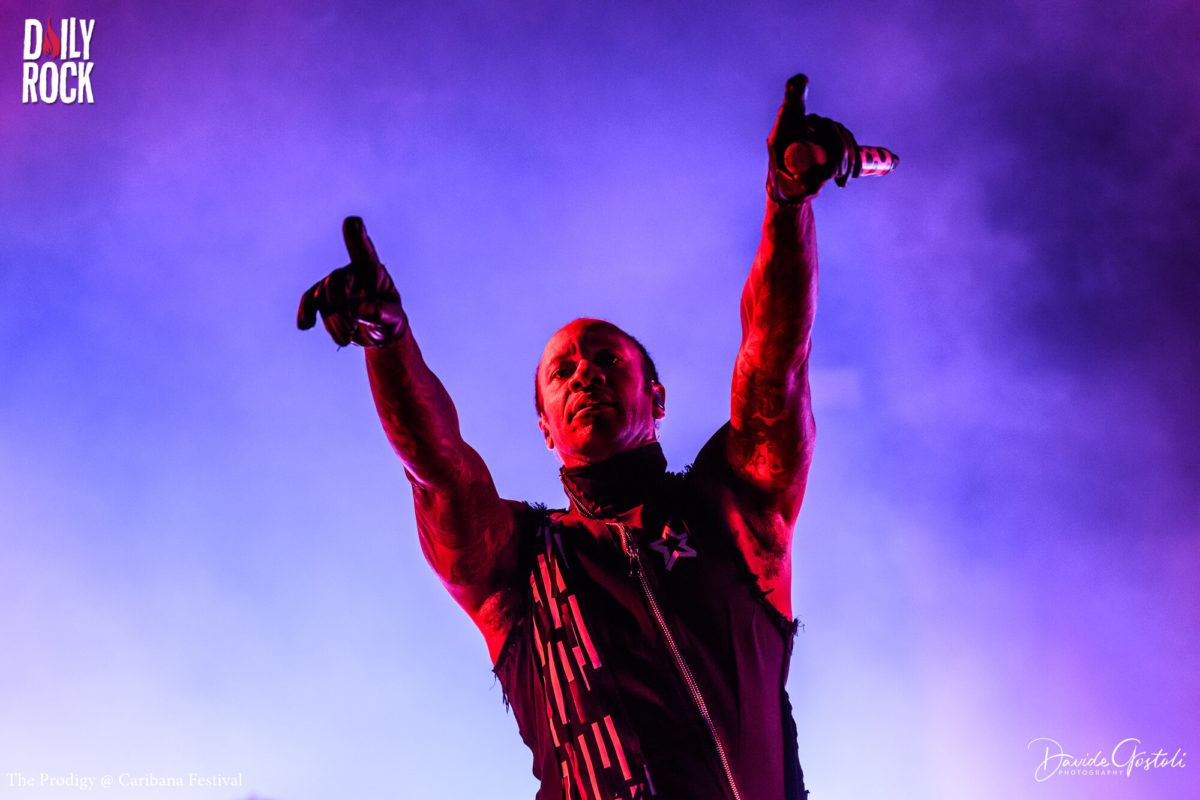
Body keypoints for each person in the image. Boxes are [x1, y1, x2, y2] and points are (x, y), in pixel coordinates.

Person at [298, 74, 854, 800]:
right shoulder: (518, 565)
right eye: (562, 371)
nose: (584, 373)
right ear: (545, 429)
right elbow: (440, 468)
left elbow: (774, 361)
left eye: (606, 359)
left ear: (656, 396)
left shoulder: (732, 507)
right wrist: (387, 342)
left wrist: (786, 203)